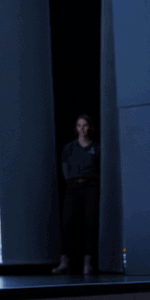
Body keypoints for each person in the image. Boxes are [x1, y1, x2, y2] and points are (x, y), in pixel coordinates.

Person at [53, 114, 100, 275]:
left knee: (90, 223)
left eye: (85, 125)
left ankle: (88, 263)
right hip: (73, 187)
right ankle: (65, 262)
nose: (82, 129)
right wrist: (73, 181)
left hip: (91, 186)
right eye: (79, 126)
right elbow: (65, 168)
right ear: (76, 128)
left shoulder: (96, 147)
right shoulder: (69, 148)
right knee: (68, 223)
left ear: (90, 127)